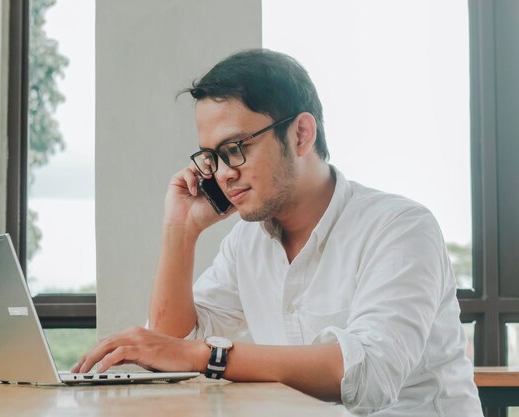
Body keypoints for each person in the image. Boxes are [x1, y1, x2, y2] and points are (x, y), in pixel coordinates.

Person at [72, 49, 483, 416]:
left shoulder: (400, 228)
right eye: (213, 157)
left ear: (301, 134)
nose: (225, 173)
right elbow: (167, 346)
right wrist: (180, 230)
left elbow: (368, 375)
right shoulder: (247, 243)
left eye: (236, 147)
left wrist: (206, 357)